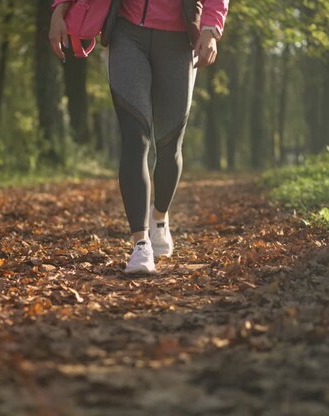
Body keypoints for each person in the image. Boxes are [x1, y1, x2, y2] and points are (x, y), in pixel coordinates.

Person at [50, 0, 229, 274]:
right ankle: (141, 243)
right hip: (126, 33)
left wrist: (211, 28)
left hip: (180, 38)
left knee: (169, 145)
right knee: (136, 137)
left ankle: (159, 218)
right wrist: (59, 10)